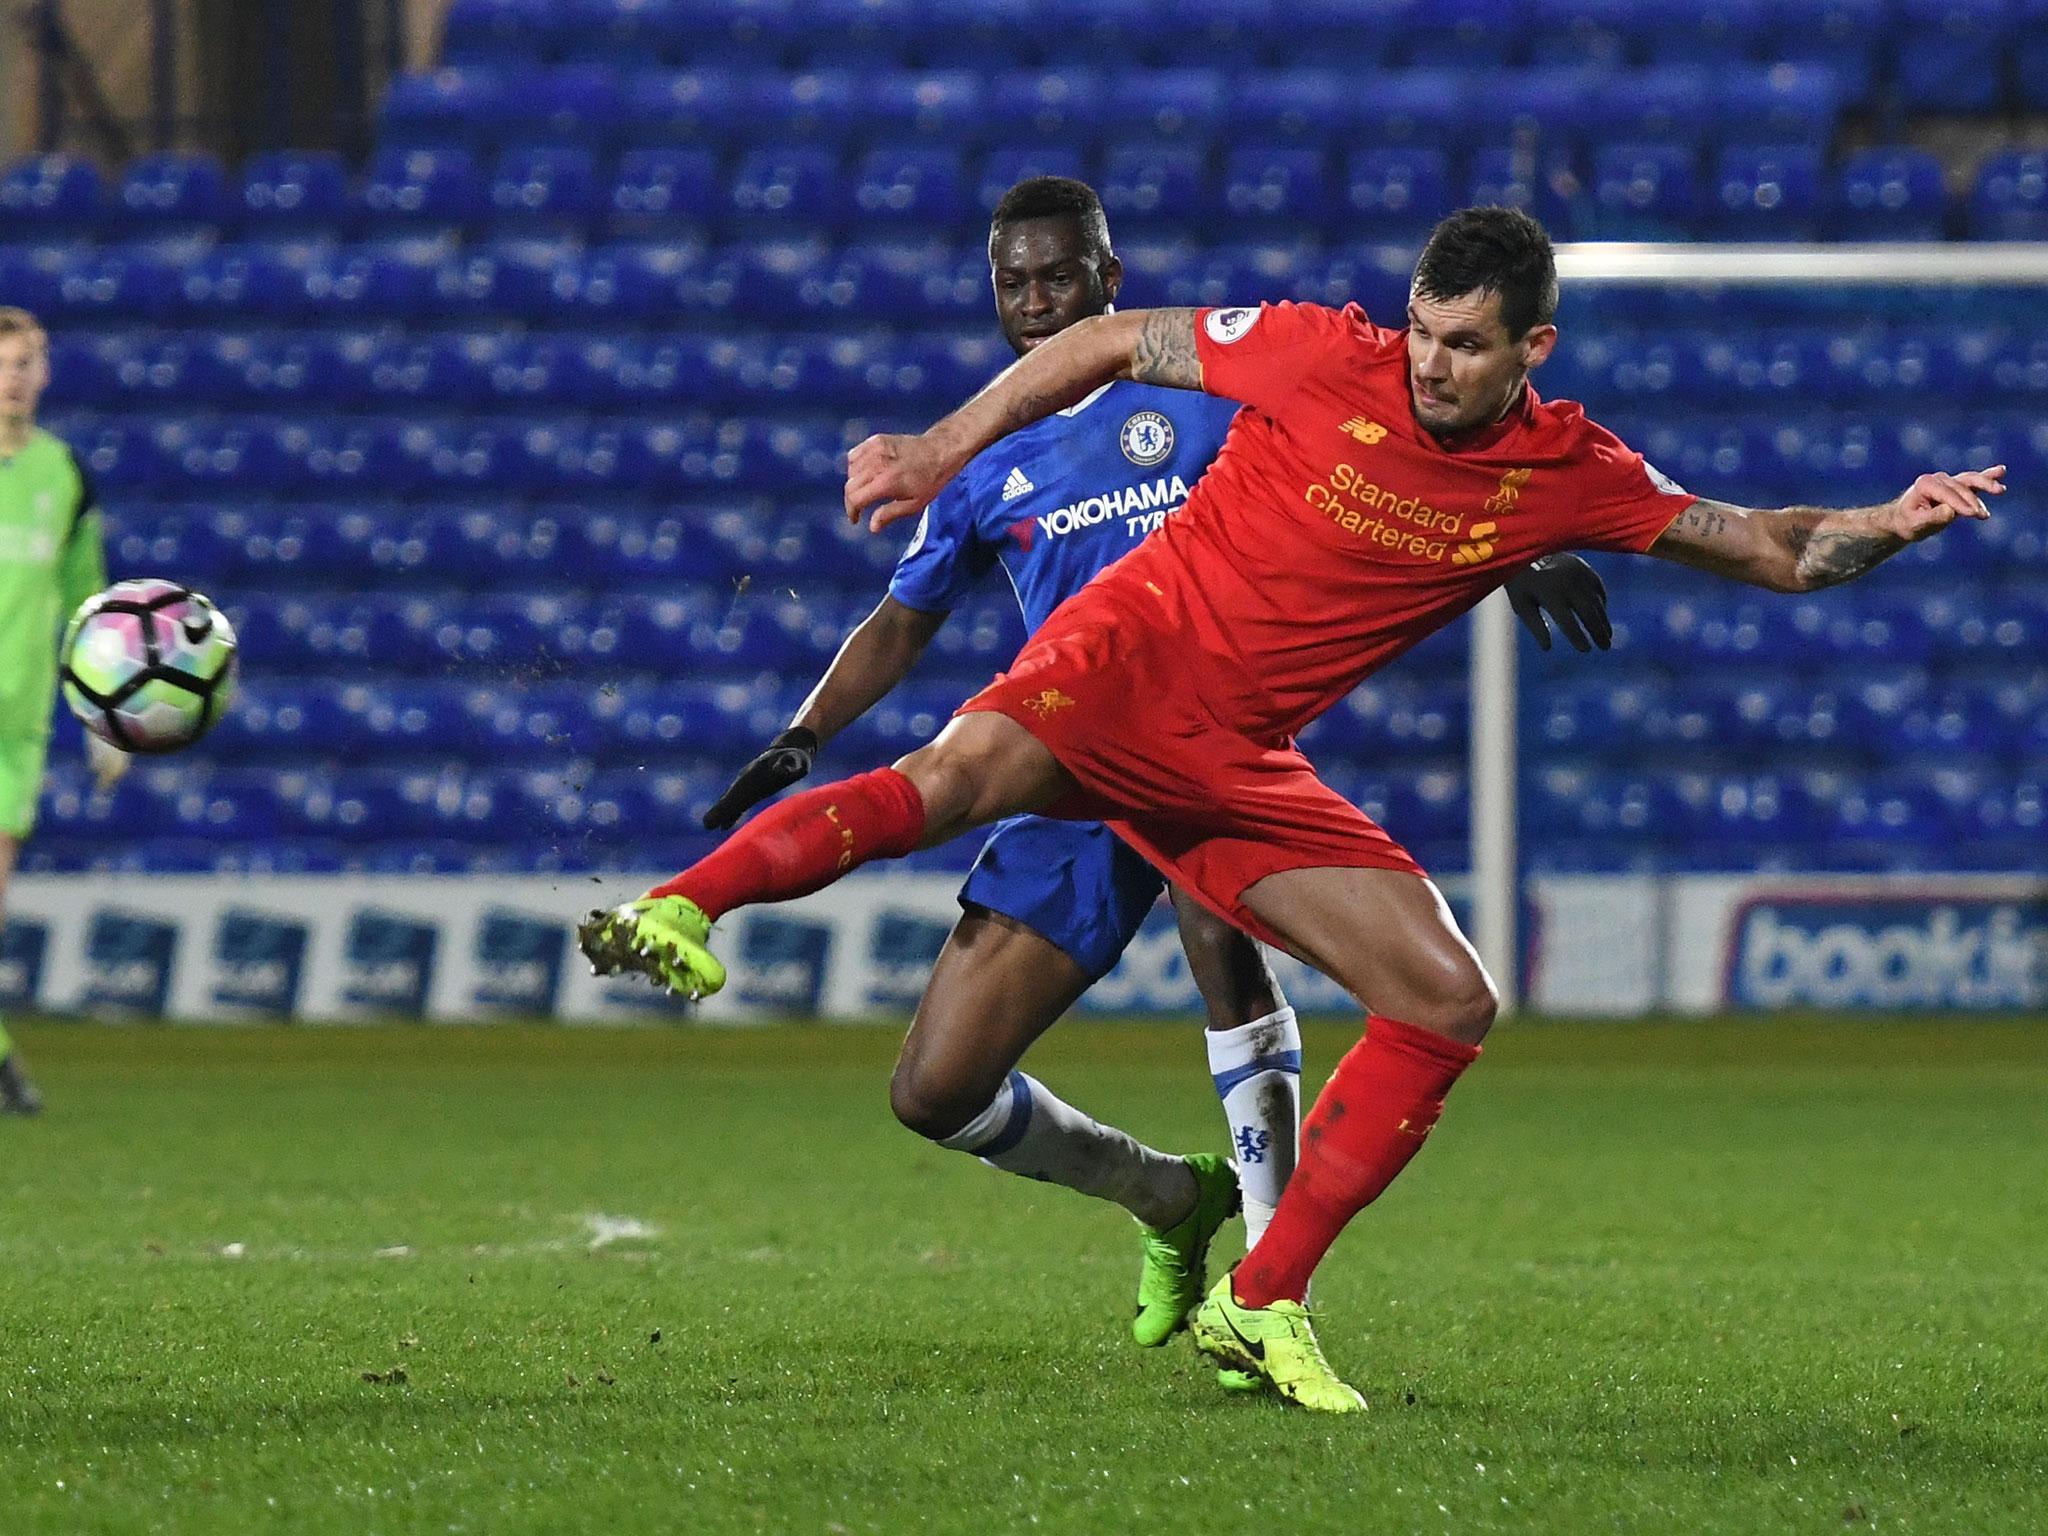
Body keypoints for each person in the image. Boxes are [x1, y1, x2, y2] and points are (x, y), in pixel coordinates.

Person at [582, 208, 2004, 1410]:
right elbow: (1099, 344)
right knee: (949, 787)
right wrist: (935, 448)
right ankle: (683, 904)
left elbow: (1769, 546)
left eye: (1464, 345)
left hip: (1232, 758)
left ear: (1532, 351)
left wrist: (1883, 524)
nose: (1432, 365)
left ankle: (1261, 1295)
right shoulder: (1326, 352)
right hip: (1122, 658)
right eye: (1423, 331)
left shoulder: (1570, 472)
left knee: (1446, 998)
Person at [685, 179, 1614, 1376]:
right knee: (934, 1088)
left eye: (1057, 279)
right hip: (1058, 756)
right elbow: (899, 619)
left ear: (1106, 281)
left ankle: (1272, 1285)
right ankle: (1169, 1198)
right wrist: (809, 729)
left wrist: (1509, 539)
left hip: (1201, 734)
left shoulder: (1204, 400)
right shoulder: (983, 456)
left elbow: (1378, 476)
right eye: (1012, 284)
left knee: (1224, 939)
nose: (1034, 303)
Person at [0, 307, 128, 1115]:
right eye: (2, 362)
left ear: (44, 374)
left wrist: (104, 718)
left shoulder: (65, 475)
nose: (13, 376)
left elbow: (89, 606)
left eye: (25, 362)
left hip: (15, 729)